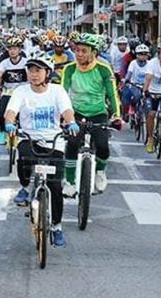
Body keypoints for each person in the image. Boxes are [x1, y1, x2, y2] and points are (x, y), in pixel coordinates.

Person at [5, 52, 77, 248]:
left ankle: (56, 227)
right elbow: (11, 111)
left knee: (55, 187)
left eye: (38, 70)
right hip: (29, 137)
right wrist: (10, 123)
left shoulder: (57, 91)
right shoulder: (21, 91)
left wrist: (71, 122)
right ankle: (26, 186)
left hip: (53, 141)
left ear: (48, 73)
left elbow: (66, 110)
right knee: (25, 160)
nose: (34, 74)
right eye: (30, 70)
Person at [61, 33, 121, 197]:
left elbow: (112, 94)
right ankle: (70, 182)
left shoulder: (103, 69)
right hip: (76, 113)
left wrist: (116, 115)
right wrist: (62, 116)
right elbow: (62, 93)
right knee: (72, 144)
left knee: (103, 146)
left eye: (84, 51)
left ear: (93, 52)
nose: (79, 54)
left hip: (98, 113)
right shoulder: (69, 69)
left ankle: (100, 172)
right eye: (77, 50)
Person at [0, 36, 29, 145]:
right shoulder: (4, 63)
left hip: (23, 92)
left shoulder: (25, 62)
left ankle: (25, 133)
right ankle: (3, 132)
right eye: (10, 49)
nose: (12, 51)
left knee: (26, 113)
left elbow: (29, 74)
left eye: (15, 48)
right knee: (2, 113)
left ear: (19, 50)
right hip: (8, 91)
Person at [120, 44, 151, 120]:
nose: (143, 56)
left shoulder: (150, 64)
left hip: (146, 85)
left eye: (145, 54)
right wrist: (125, 79)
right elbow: (129, 73)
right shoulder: (133, 63)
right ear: (137, 55)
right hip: (134, 85)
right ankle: (131, 108)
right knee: (135, 95)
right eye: (140, 54)